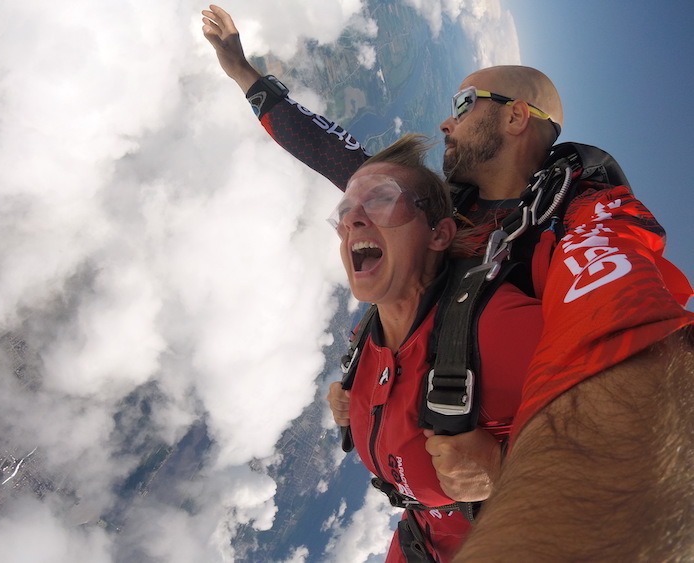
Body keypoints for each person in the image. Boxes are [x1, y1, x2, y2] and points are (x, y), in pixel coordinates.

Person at [202, 5, 694, 560]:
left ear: (516, 118)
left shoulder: (586, 222)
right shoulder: (448, 213)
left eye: (463, 104)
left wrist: (509, 466)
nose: (445, 121)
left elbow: (643, 372)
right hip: (415, 536)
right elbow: (339, 157)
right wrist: (242, 72)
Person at [318, 133, 544, 561]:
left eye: (382, 200)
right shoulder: (364, 336)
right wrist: (351, 403)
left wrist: (505, 469)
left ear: (439, 234)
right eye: (344, 213)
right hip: (415, 540)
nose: (352, 221)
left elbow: (654, 437)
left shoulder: (497, 330)